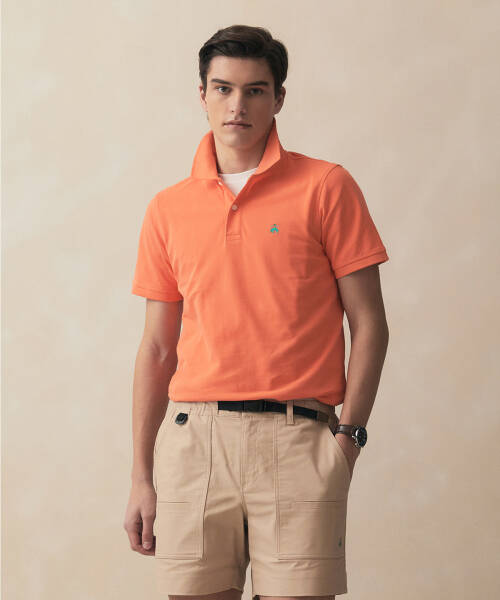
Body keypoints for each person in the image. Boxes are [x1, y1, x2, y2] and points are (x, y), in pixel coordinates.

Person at [124, 24, 389, 600]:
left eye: (255, 90)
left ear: (279, 98)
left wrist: (348, 439)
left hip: (300, 440)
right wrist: (142, 476)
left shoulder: (326, 186)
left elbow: (369, 323)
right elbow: (157, 348)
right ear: (202, 94)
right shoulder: (168, 209)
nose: (237, 105)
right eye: (223, 88)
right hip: (194, 444)